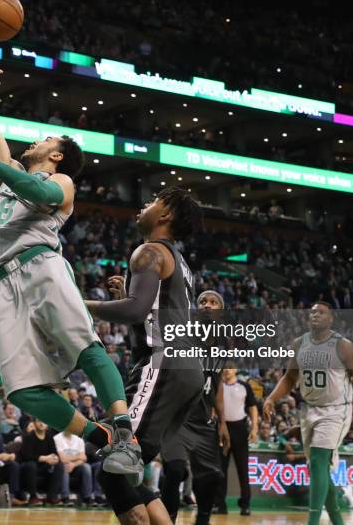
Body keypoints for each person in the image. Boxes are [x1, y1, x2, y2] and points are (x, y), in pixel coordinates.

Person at [0, 49, 141, 480]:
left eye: (46, 140)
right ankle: (102, 439)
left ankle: (125, 432)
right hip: (2, 285)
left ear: (57, 156)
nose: (37, 140)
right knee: (22, 391)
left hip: (42, 267)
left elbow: (46, 199)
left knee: (86, 347)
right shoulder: (11, 172)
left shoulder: (60, 180)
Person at [85, 187, 204, 525]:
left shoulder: (149, 251)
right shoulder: (179, 261)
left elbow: (136, 311)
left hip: (164, 363)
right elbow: (156, 311)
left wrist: (80, 305)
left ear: (165, 215)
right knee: (127, 465)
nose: (144, 206)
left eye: (153, 202)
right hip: (186, 369)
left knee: (115, 467)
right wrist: (126, 297)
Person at [263, 301, 353, 525]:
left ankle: (312, 522)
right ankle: (338, 521)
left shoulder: (343, 346)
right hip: (309, 410)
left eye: (321, 312)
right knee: (317, 468)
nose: (316, 315)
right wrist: (272, 398)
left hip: (336, 410)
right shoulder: (299, 344)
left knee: (320, 460)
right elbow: (290, 378)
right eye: (312, 312)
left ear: (331, 318)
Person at [160, 290, 231, 525]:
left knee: (211, 476)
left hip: (203, 420)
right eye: (202, 301)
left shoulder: (224, 343)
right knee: (176, 469)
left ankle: (202, 520)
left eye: (213, 302)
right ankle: (167, 519)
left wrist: (222, 421)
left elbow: (218, 384)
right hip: (177, 417)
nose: (207, 305)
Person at [213, 364, 258, 515]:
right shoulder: (217, 385)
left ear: (236, 370)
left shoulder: (244, 386)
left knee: (243, 469)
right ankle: (220, 504)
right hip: (222, 428)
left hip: (239, 429)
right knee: (220, 469)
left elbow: (252, 407)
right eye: (225, 367)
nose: (227, 370)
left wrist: (255, 428)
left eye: (230, 367)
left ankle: (245, 504)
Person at [19, 419, 64, 505]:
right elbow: (27, 456)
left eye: (44, 421)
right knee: (31, 465)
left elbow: (55, 453)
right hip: (29, 467)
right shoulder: (28, 437)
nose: (41, 423)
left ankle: (52, 497)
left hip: (44, 467)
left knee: (59, 465)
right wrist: (45, 458)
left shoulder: (50, 437)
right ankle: (33, 497)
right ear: (35, 423)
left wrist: (54, 458)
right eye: (39, 421)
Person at [54, 428, 95, 506]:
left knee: (86, 467)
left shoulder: (79, 440)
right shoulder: (57, 438)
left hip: (76, 466)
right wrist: (77, 456)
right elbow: (62, 458)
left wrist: (73, 464)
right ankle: (65, 497)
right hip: (62, 465)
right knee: (64, 466)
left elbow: (84, 458)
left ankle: (87, 497)